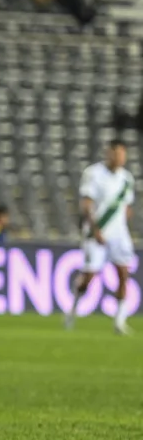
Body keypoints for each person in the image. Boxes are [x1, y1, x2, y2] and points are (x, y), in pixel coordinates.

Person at [66, 139, 135, 335]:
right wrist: (95, 229)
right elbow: (87, 204)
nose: (120, 157)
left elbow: (126, 206)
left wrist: (123, 222)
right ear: (109, 153)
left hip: (119, 234)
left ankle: (119, 321)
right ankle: (72, 309)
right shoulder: (94, 173)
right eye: (117, 153)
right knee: (89, 276)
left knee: (124, 274)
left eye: (123, 154)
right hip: (97, 232)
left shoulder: (127, 178)